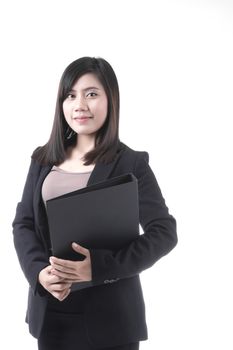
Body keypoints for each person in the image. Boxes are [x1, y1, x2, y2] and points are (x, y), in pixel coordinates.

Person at [12, 56, 177, 350]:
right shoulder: (42, 159)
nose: (80, 105)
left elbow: (163, 232)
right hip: (52, 314)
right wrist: (39, 273)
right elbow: (23, 223)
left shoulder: (131, 163)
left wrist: (100, 268)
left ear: (110, 99)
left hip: (111, 319)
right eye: (70, 95)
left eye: (91, 94)